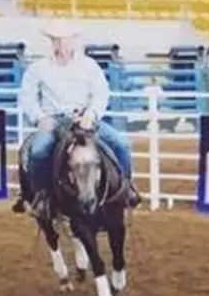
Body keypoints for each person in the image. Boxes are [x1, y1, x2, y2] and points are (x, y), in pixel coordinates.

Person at [14, 19, 139, 212]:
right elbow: (27, 96)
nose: (61, 44)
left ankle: (126, 187)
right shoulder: (38, 68)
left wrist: (91, 114)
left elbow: (101, 93)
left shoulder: (89, 66)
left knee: (121, 144)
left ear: (73, 40)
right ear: (51, 42)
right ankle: (41, 195)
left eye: (65, 39)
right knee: (38, 151)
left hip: (84, 119)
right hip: (53, 121)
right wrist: (40, 118)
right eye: (56, 39)